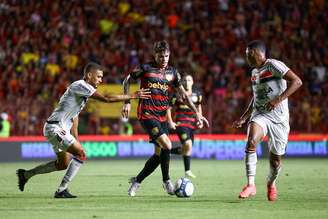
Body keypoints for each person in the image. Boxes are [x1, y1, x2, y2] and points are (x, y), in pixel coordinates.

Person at [16, 62, 150, 198]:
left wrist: (76, 139)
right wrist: (132, 96)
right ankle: (61, 190)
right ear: (89, 75)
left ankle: (26, 174)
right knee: (81, 154)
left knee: (62, 164)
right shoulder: (80, 85)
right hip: (55, 128)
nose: (101, 80)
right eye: (98, 77)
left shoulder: (82, 93)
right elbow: (106, 98)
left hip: (59, 129)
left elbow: (75, 118)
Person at [122, 40, 208, 197]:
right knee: (167, 145)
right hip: (147, 113)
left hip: (161, 116)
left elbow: (184, 96)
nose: (164, 59)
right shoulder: (145, 68)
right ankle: (166, 180)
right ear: (155, 55)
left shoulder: (173, 73)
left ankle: (137, 181)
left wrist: (197, 113)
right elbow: (127, 80)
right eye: (161, 56)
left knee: (159, 154)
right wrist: (127, 102)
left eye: (166, 56)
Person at [232, 40, 302, 201]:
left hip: (279, 119)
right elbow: (256, 98)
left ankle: (271, 183)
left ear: (257, 52)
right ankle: (251, 185)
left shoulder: (273, 65)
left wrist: (278, 100)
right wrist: (244, 118)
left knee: (276, 161)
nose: (246, 57)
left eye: (248, 53)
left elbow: (297, 81)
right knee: (251, 141)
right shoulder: (254, 73)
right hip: (261, 114)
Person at [167, 75, 203, 178]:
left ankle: (167, 151)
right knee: (188, 144)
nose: (187, 82)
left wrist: (199, 120)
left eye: (189, 80)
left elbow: (198, 107)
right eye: (185, 80)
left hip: (192, 125)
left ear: (193, 82)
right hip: (181, 123)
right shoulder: (177, 94)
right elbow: (168, 108)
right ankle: (187, 170)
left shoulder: (197, 95)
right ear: (181, 82)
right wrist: (170, 121)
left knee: (187, 148)